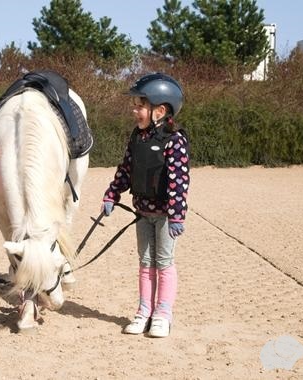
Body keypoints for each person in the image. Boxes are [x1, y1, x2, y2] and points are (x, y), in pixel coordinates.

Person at [102, 73, 189, 338]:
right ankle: (143, 311)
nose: (134, 110)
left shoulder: (175, 142)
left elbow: (179, 181)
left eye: (140, 105)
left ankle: (163, 314)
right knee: (145, 263)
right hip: (142, 213)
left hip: (164, 216)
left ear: (160, 110)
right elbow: (125, 170)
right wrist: (111, 195)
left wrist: (176, 216)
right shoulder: (137, 138)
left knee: (163, 262)